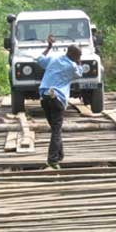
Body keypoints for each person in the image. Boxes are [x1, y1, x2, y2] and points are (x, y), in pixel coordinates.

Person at [36, 34, 83, 169]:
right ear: (75, 56)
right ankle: (52, 160)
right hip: (57, 99)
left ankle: (60, 154)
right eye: (78, 56)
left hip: (44, 97)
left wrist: (49, 47)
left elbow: (39, 59)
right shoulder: (72, 66)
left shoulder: (53, 59)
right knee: (56, 130)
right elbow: (80, 73)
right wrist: (79, 61)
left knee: (55, 129)